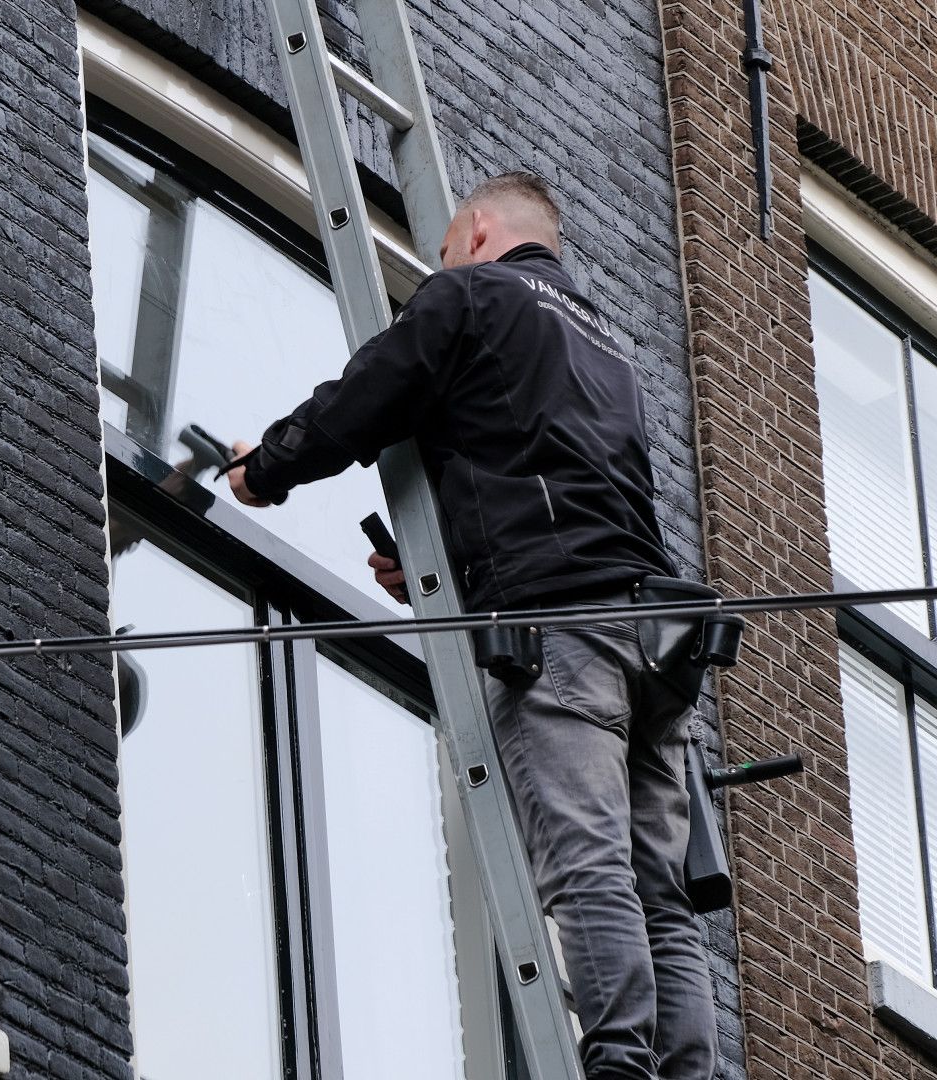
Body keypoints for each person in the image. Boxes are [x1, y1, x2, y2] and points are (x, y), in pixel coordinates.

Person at [224, 172, 715, 1080]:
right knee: (662, 892)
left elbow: (374, 388)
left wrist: (273, 465)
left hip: (562, 634)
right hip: (652, 639)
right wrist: (444, 565)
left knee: (587, 864)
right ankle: (684, 1069)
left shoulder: (472, 293)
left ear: (478, 230)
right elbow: (545, 464)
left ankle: (616, 1065)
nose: (442, 266)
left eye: (447, 248)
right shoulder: (609, 344)